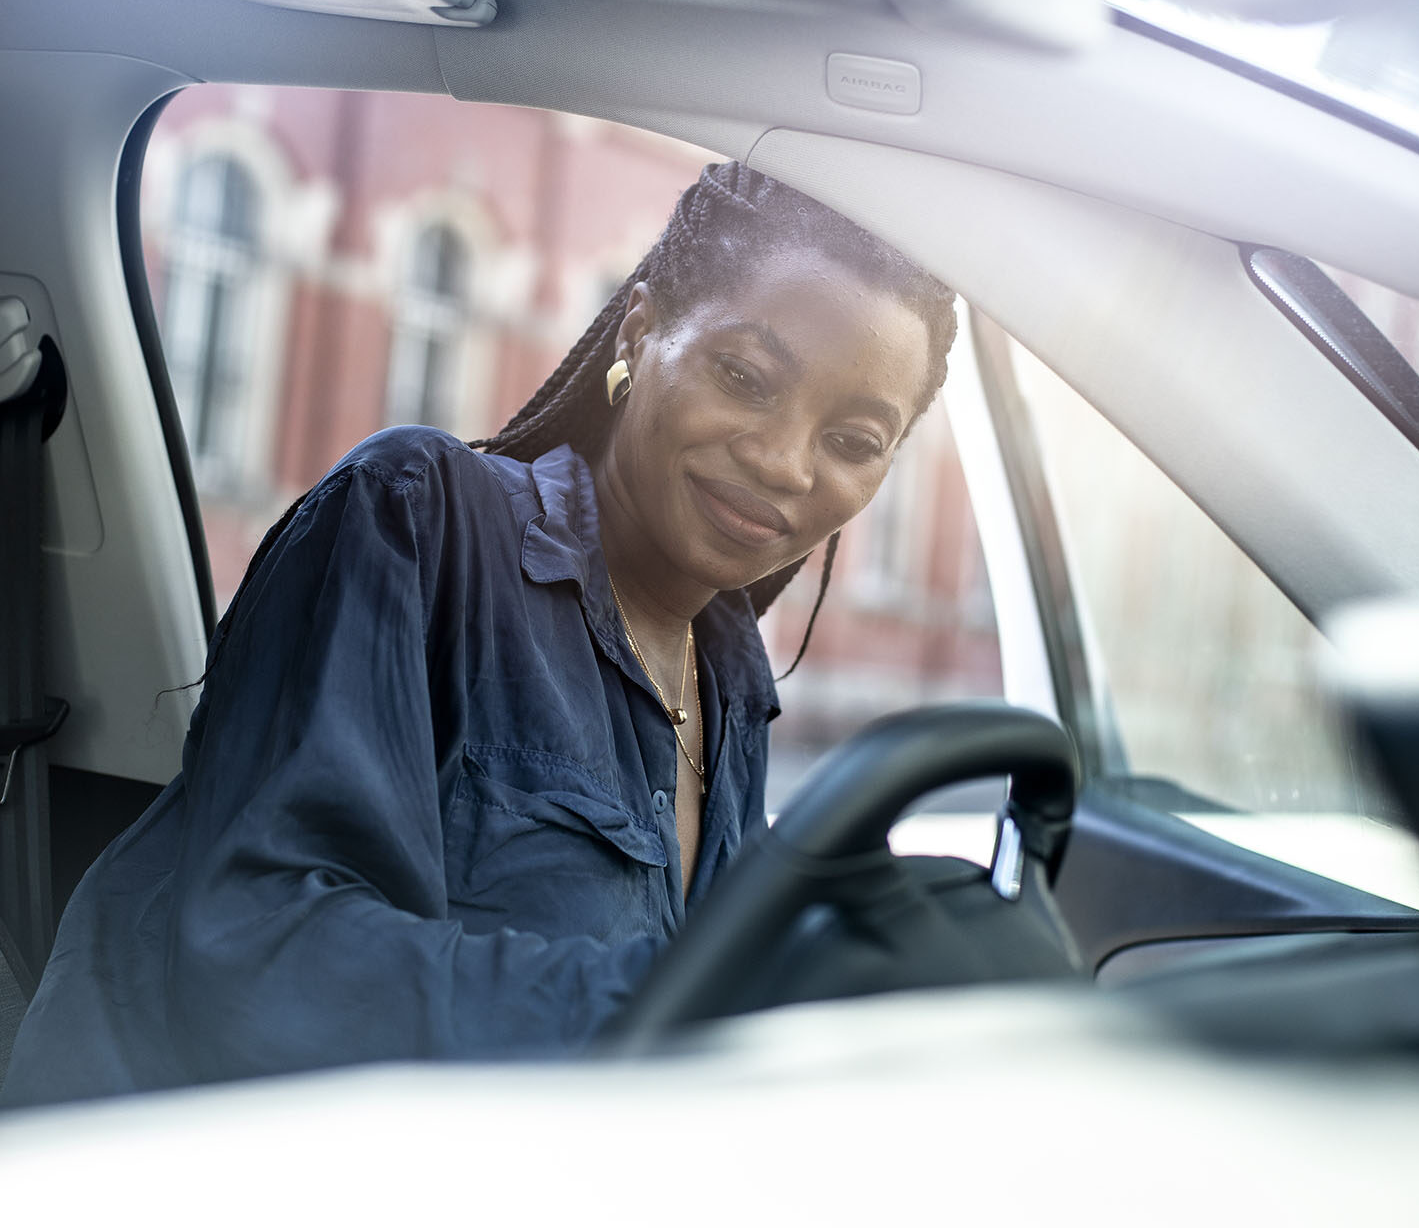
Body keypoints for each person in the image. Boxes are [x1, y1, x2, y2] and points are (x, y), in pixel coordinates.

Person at [2, 162, 956, 1107]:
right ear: (642, 329)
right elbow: (260, 958)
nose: (784, 461)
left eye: (853, 441)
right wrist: (698, 1009)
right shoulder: (416, 516)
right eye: (744, 376)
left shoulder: (735, 676)